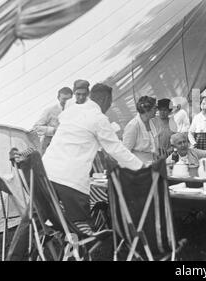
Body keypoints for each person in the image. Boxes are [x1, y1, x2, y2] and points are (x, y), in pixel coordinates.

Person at [42, 83, 145, 235]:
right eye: (109, 103)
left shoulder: (71, 110)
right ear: (105, 100)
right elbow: (116, 149)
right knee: (83, 229)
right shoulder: (98, 118)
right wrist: (142, 168)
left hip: (45, 174)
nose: (108, 107)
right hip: (70, 181)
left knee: (44, 217)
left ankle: (17, 254)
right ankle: (80, 251)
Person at [32, 87, 73, 154]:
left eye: (68, 99)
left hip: (68, 147)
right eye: (64, 99)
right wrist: (53, 130)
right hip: (50, 148)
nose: (66, 102)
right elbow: (36, 127)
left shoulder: (75, 111)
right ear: (58, 98)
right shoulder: (49, 111)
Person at [122, 96, 159, 162]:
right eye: (155, 108)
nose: (157, 110)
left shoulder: (152, 122)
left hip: (153, 163)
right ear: (147, 110)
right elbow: (125, 151)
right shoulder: (133, 125)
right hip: (139, 166)